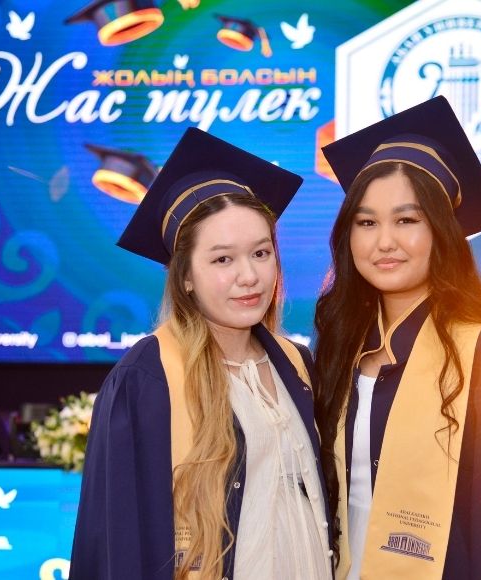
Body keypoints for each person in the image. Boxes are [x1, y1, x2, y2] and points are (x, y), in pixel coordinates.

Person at [315, 96, 481, 580]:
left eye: (407, 220)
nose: (384, 241)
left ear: (442, 233)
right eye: (366, 222)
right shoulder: (339, 352)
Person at [70, 128, 333, 580]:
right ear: (186, 276)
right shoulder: (147, 378)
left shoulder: (296, 364)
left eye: (261, 253)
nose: (249, 276)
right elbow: (117, 540)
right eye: (222, 259)